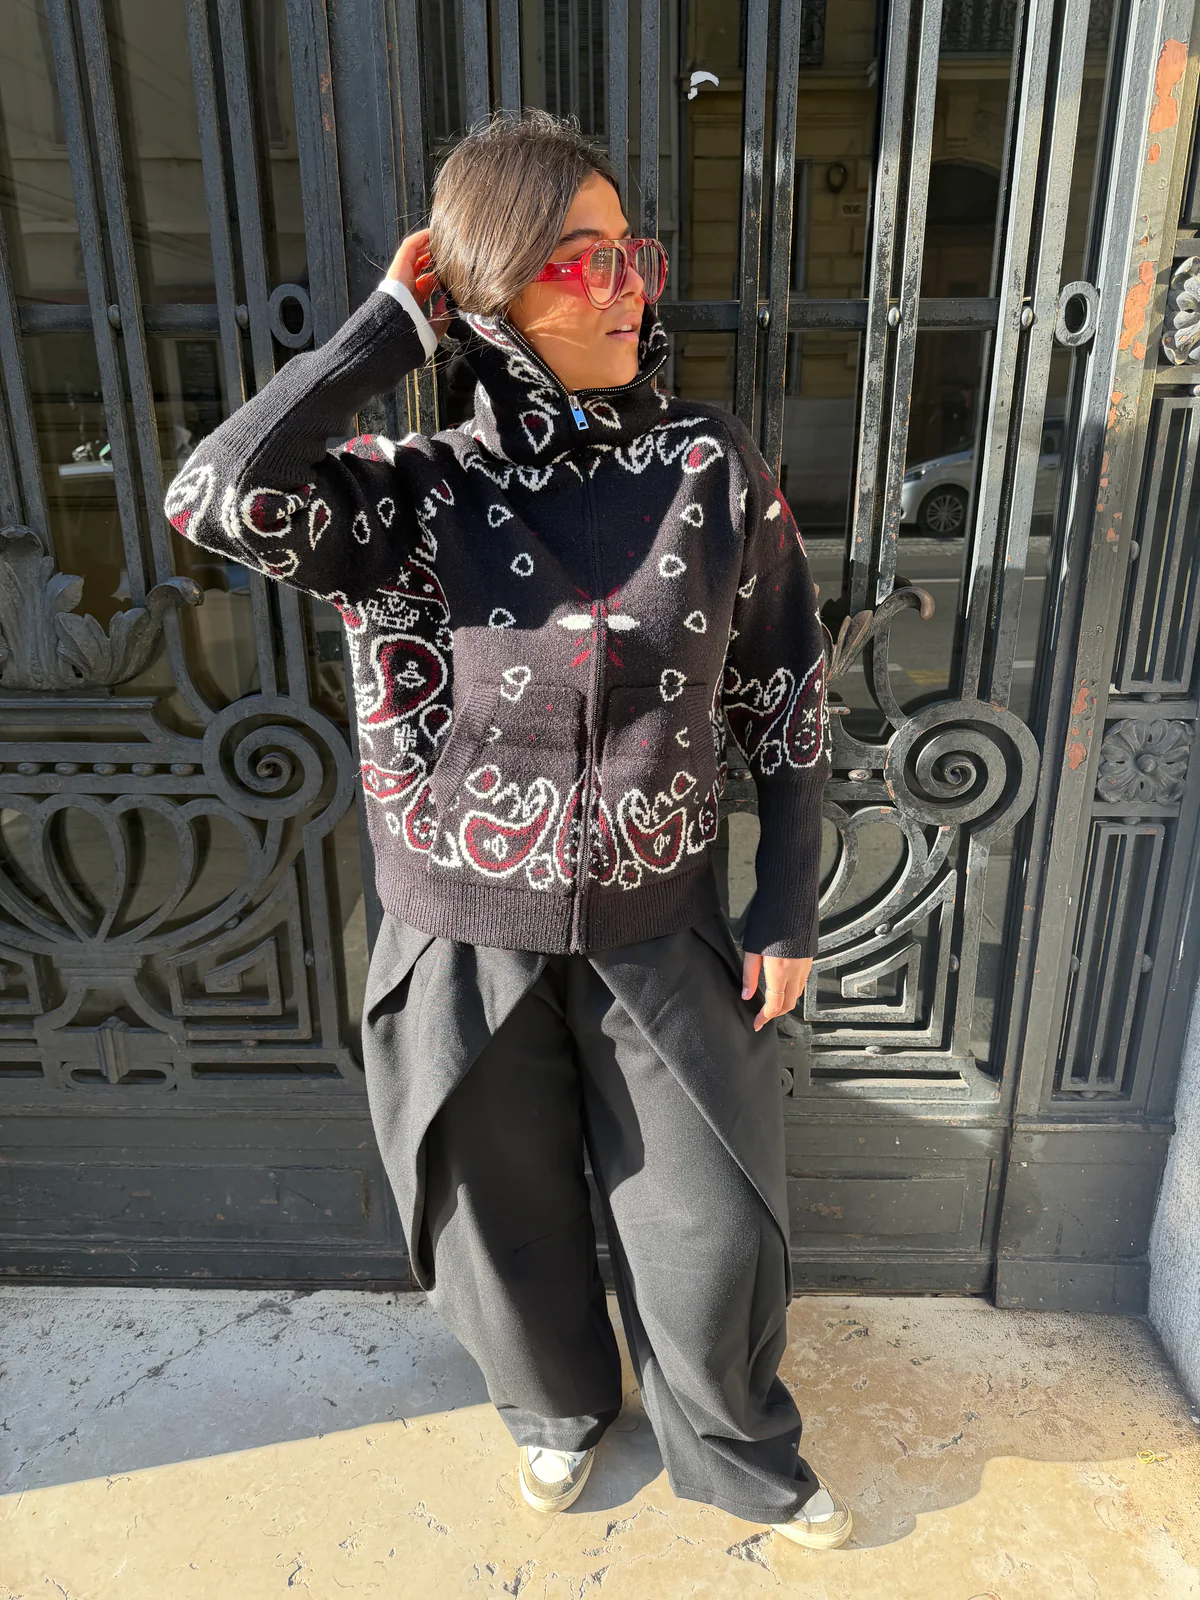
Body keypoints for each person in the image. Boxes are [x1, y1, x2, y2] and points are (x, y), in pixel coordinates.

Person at [164, 107, 847, 1551]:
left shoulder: (711, 468)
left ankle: (735, 1444)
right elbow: (213, 498)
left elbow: (787, 688)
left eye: (630, 254)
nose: (626, 288)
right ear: (488, 297)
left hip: (662, 927)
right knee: (493, 1217)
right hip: (456, 935)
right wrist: (385, 331)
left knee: (714, 1228)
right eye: (580, 261)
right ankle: (555, 1410)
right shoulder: (405, 495)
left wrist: (786, 897)